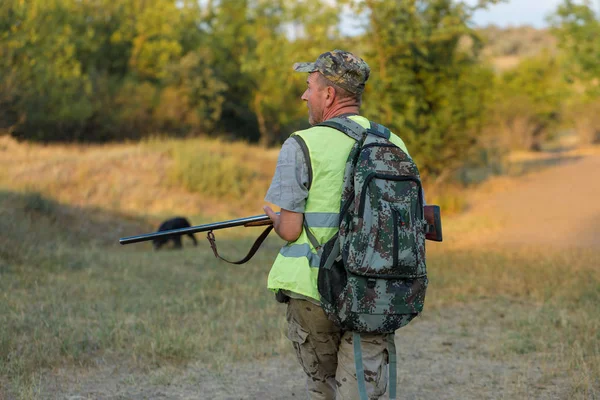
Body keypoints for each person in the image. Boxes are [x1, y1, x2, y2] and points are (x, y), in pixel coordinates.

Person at [263, 50, 414, 400]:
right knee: (362, 391)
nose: (304, 95)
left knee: (322, 386)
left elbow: (289, 230)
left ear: (328, 94)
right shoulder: (392, 142)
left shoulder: (301, 143)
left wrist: (273, 217)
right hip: (376, 290)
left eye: (309, 86)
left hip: (314, 289)